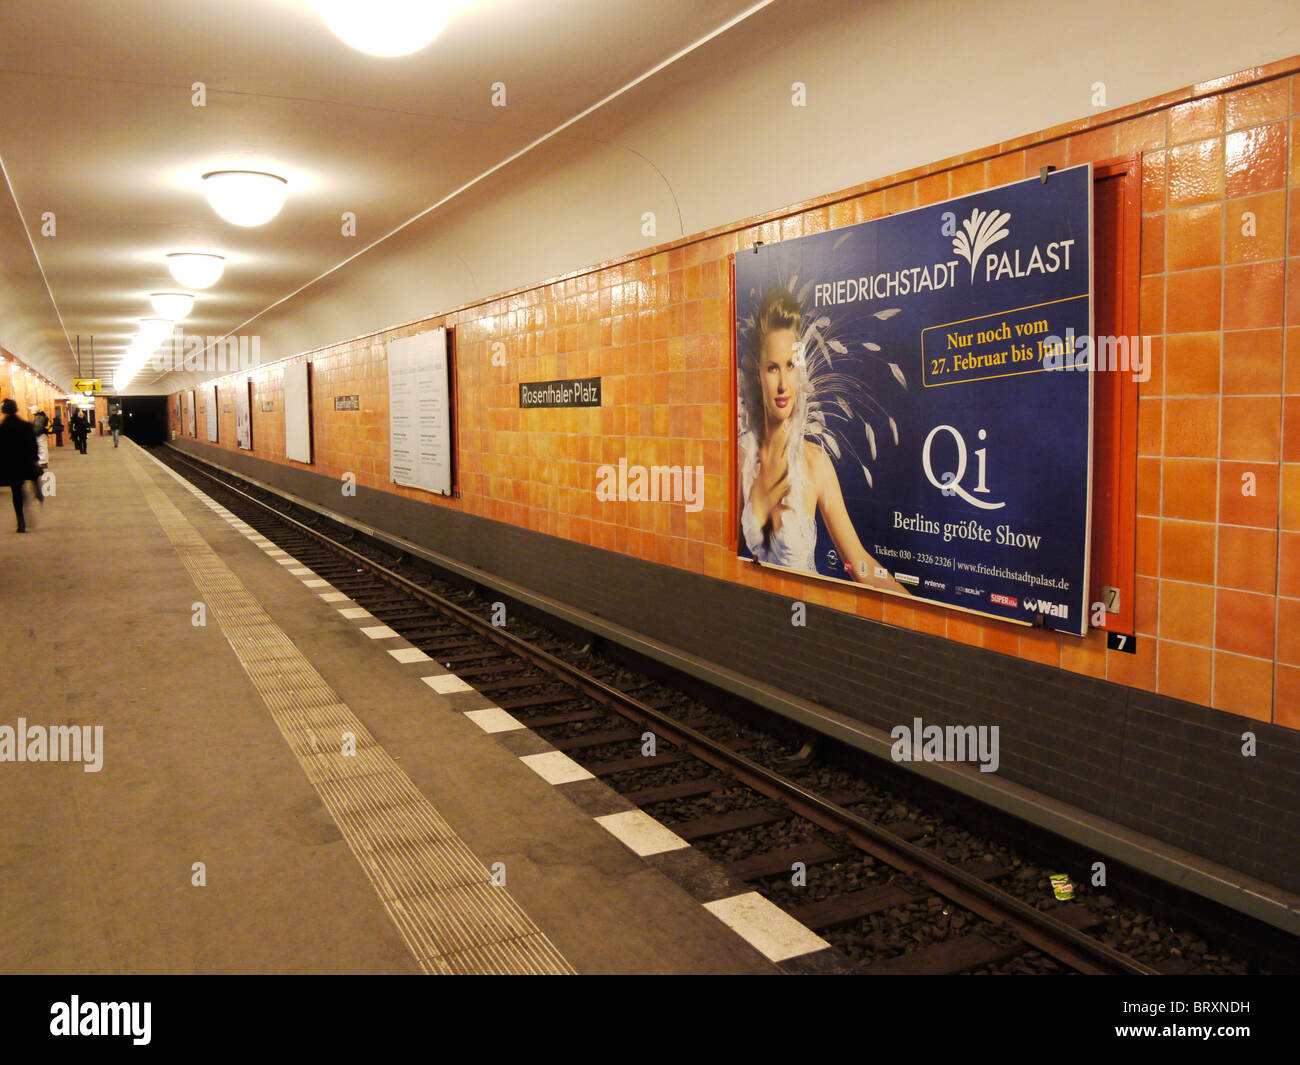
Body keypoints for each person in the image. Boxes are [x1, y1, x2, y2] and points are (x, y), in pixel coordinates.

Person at [738, 288, 901, 592]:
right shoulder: (744, 456)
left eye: (791, 366)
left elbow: (858, 560)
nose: (783, 384)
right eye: (773, 368)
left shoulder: (814, 462)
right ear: (759, 373)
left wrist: (916, 614)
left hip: (807, 614)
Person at [0, 398, 40, 533]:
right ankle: (36, 486)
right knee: (32, 477)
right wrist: (35, 461)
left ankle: (20, 520)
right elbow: (34, 446)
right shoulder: (26, 425)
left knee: (16, 492)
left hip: (11, 465)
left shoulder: (2, 428)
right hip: (26, 462)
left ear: (3, 411)